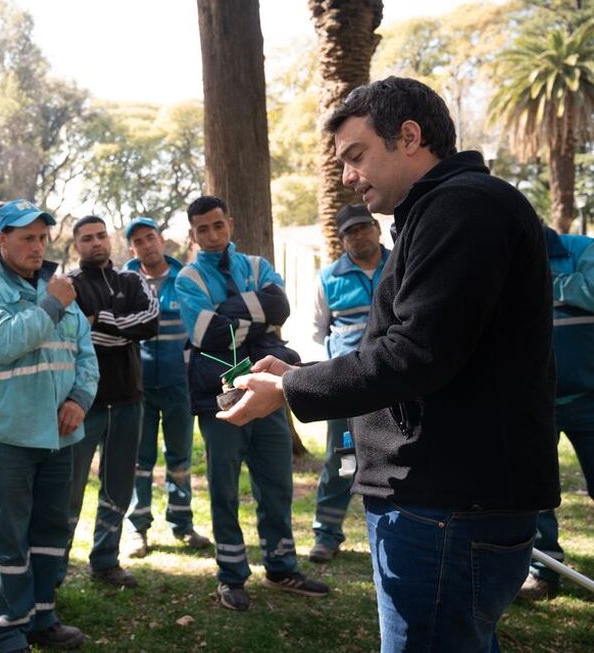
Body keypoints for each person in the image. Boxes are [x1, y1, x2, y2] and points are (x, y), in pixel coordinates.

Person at [217, 77, 560, 651]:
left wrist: (294, 390)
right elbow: (415, 344)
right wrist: (296, 377)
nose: (348, 176)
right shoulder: (444, 210)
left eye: (357, 156)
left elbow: (415, 355)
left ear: (408, 136)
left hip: (447, 505)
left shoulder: (462, 208)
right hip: (444, 500)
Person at [175, 195, 329, 612]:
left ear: (230, 223)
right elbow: (208, 336)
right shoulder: (187, 278)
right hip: (218, 398)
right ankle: (231, 576)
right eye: (202, 229)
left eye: (217, 226)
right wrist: (256, 323)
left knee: (276, 483)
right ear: (193, 233)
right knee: (224, 490)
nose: (211, 235)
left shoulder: (258, 265)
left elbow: (281, 306)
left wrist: (230, 315)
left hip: (268, 392)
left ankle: (282, 567)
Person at [0, 200, 99, 653]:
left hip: (59, 434)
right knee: (9, 536)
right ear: (1, 239)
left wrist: (79, 399)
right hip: (9, 433)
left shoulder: (55, 288)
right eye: (27, 238)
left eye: (42, 238)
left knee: (50, 531)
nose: (37, 247)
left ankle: (42, 617)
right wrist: (52, 304)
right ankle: (7, 628)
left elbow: (85, 355)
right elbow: (4, 342)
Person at [63, 215, 159, 588]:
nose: (96, 242)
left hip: (128, 399)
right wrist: (123, 330)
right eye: (87, 238)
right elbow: (72, 336)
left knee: (118, 484)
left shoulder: (131, 279)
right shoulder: (67, 284)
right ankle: (55, 565)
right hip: (80, 403)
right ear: (76, 246)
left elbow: (150, 322)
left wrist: (100, 319)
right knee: (68, 488)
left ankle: (106, 559)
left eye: (101, 235)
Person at [122, 217, 211, 557]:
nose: (147, 245)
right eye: (139, 241)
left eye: (151, 237)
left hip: (179, 385)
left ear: (162, 240)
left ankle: (181, 523)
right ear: (132, 248)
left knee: (180, 459)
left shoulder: (185, 278)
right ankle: (137, 528)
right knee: (139, 460)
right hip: (138, 387)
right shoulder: (124, 282)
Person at [308, 204, 389, 564]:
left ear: (376, 228)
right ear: (342, 240)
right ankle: (327, 534)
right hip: (347, 390)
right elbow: (319, 331)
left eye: (363, 228)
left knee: (398, 460)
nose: (358, 236)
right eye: (350, 232)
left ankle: (392, 535)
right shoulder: (329, 278)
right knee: (342, 461)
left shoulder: (401, 264)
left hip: (397, 387)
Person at [517, 226, 594, 600]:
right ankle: (543, 571)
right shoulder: (506, 260)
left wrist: (547, 280)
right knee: (534, 491)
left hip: (590, 397)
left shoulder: (582, 251)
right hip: (534, 401)